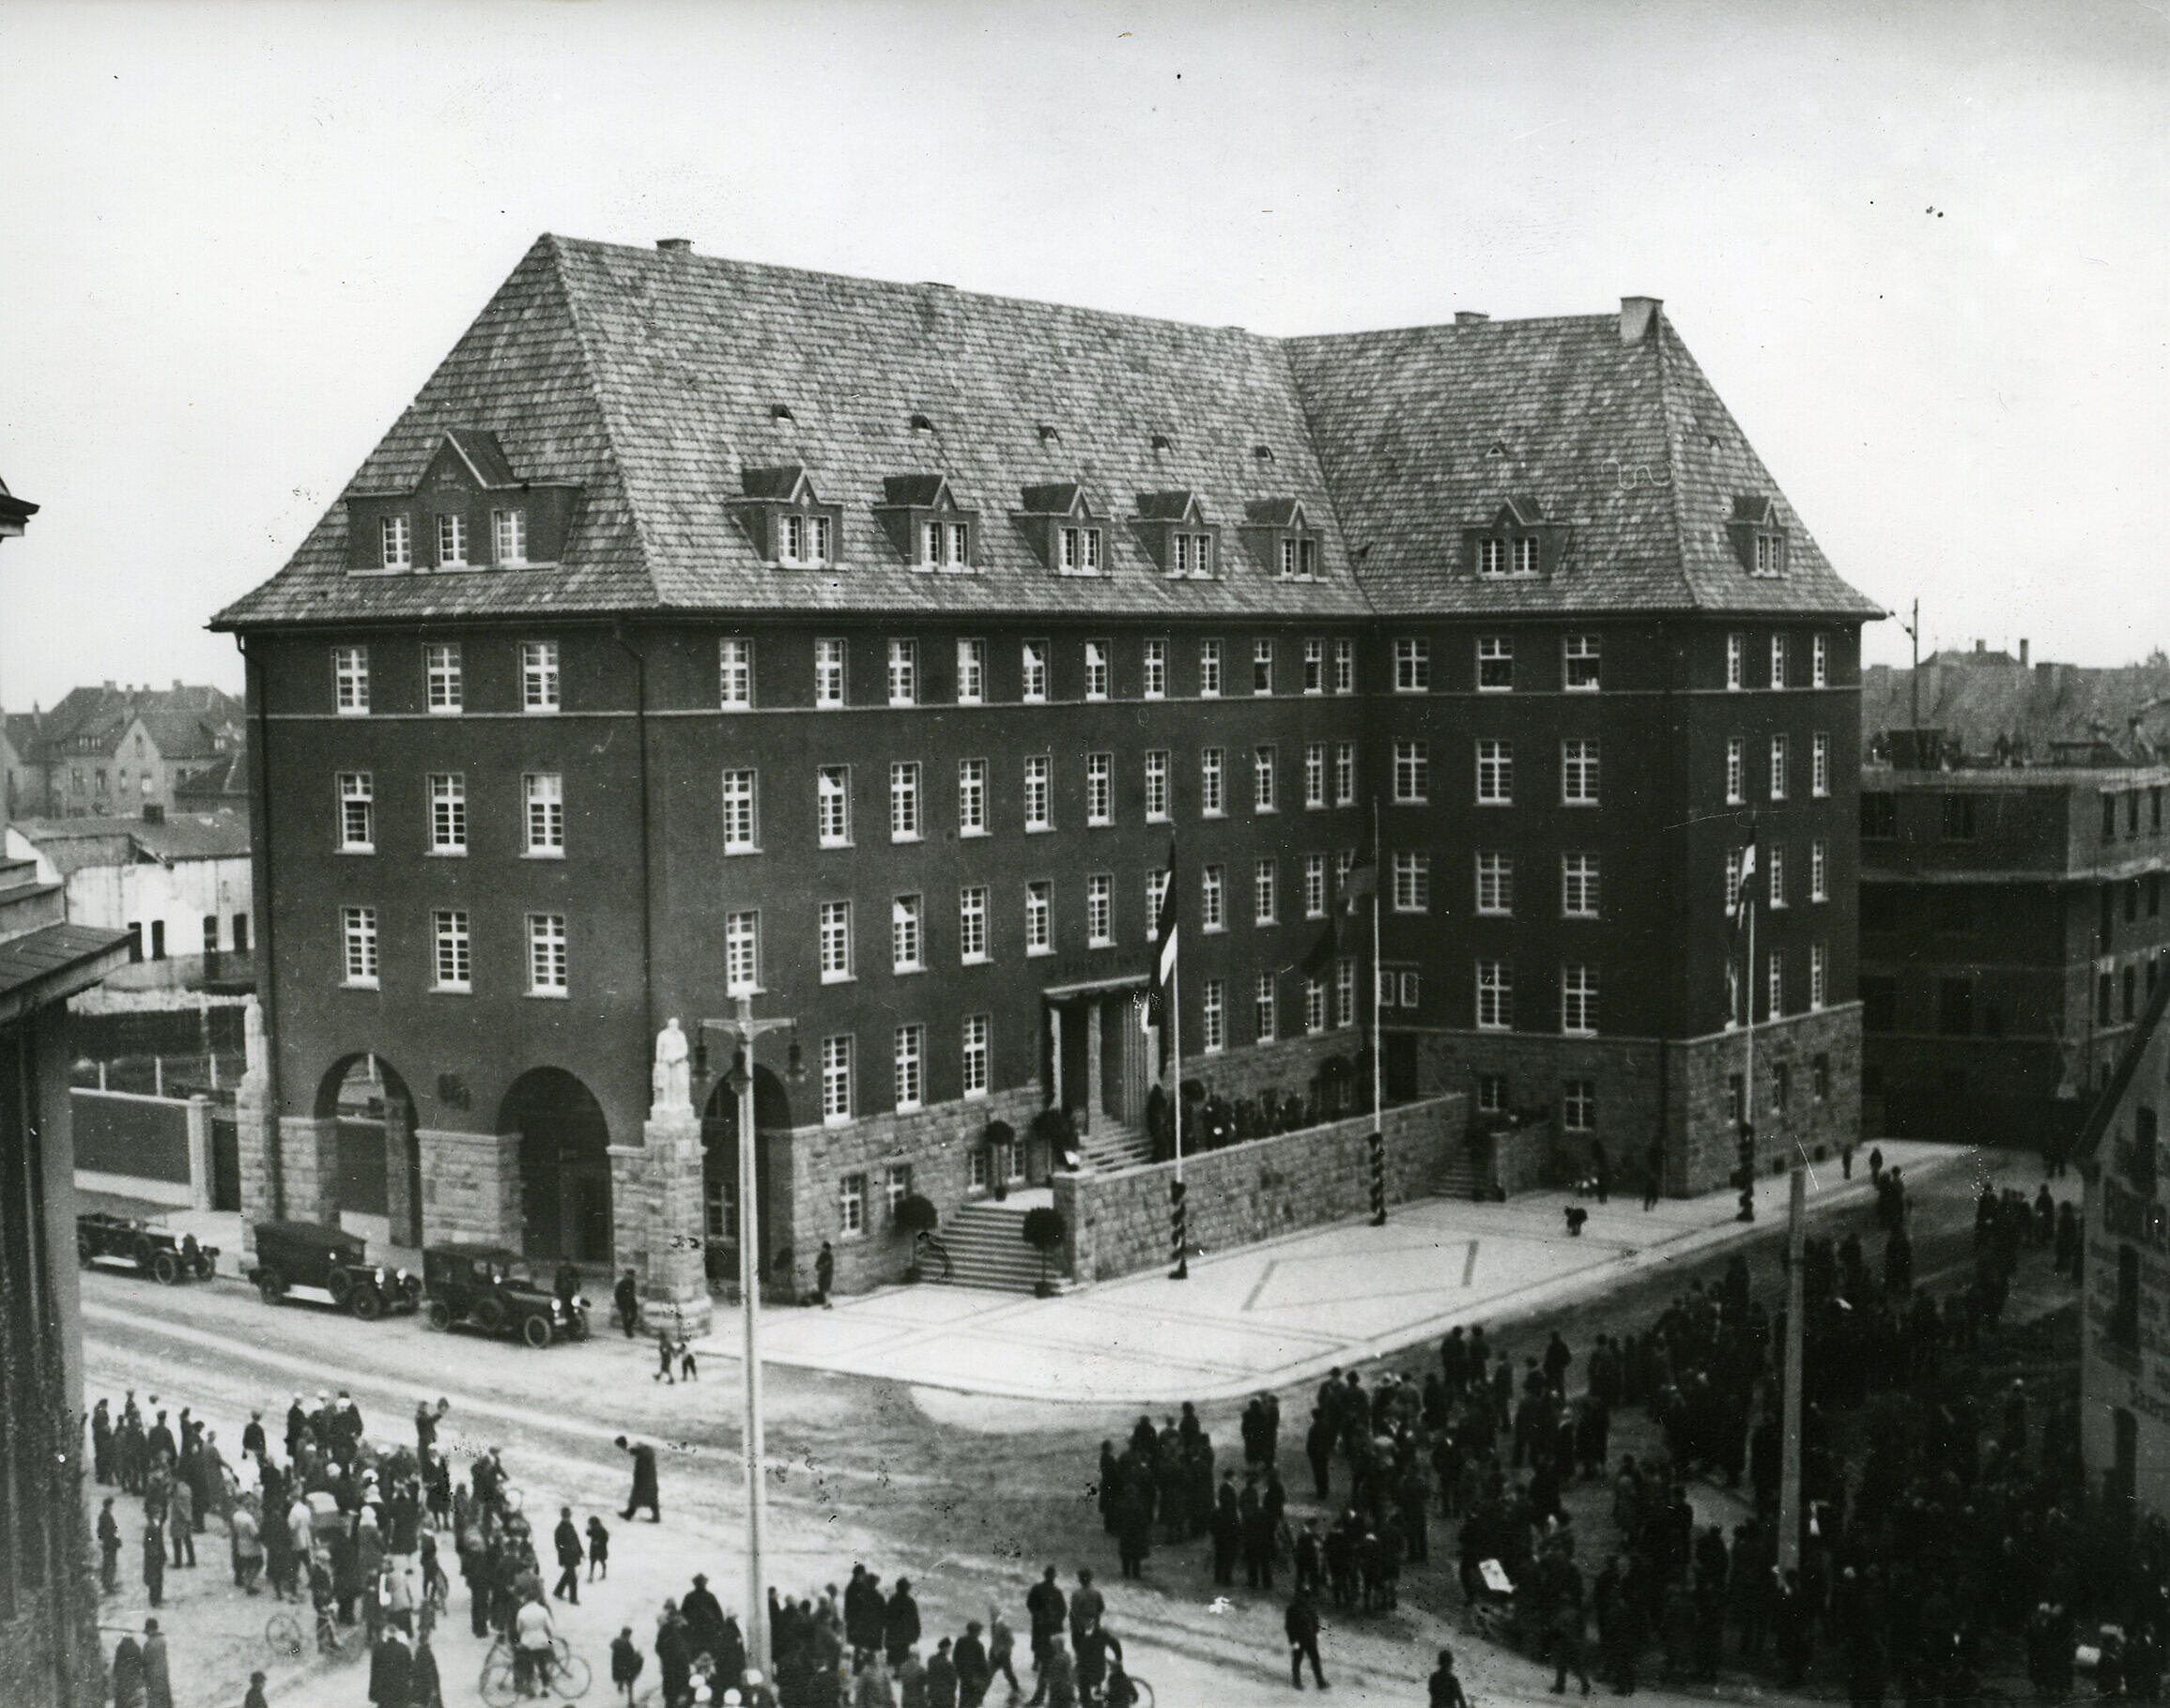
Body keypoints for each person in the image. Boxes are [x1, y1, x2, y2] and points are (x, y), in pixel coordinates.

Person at [1026, 1568, 1067, 1704]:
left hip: (1042, 1627)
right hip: (1050, 1629)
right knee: (1048, 1656)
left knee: (1042, 1654)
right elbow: (1063, 1611)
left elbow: (1030, 1604)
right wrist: (1054, 1619)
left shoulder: (1038, 1589)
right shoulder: (1056, 1592)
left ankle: (1037, 1663)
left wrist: (1039, 1615)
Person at [1285, 1586, 1329, 1690]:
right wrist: (1293, 1641)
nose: (1304, 1598)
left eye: (1306, 1595)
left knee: (1315, 1660)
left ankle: (1320, 1681)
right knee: (1297, 1660)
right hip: (1298, 1639)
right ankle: (1296, 1681)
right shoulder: (1292, 1609)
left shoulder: (1310, 1607)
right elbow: (1289, 1627)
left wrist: (1317, 1632)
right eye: (1302, 1595)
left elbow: (1315, 1621)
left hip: (1310, 1638)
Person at [516, 1590, 557, 1696]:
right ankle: (545, 1689)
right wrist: (550, 1642)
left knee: (529, 1665)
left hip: (527, 1643)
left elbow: (519, 1629)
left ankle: (531, 1689)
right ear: (536, 1599)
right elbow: (551, 1629)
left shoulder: (522, 1612)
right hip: (542, 1642)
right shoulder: (543, 1610)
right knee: (542, 1666)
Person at [617, 1435, 661, 1521]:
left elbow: (633, 1451)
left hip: (644, 1474)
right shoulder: (643, 1449)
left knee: (638, 1494)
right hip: (648, 1474)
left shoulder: (637, 1449)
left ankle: (629, 1513)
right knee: (650, 1495)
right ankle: (655, 1516)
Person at [369, 1625, 415, 1708]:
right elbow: (410, 1670)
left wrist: (373, 1693)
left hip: (384, 1690)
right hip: (401, 1691)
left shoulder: (378, 1650)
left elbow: (374, 1673)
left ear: (385, 1635)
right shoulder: (404, 1649)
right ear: (396, 1634)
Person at [554, 1506, 585, 1603]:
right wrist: (565, 1551)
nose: (567, 1518)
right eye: (565, 1516)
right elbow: (558, 1545)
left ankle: (558, 1591)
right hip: (567, 1557)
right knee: (572, 1578)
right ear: (562, 1516)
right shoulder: (559, 1529)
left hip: (574, 1555)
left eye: (568, 1516)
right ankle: (573, 1599)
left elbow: (576, 1540)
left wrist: (581, 1552)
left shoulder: (571, 1526)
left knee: (568, 1574)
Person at [142, 1618, 174, 1708]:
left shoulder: (148, 1644)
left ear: (150, 1630)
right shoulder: (162, 1641)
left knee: (154, 1701)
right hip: (163, 1675)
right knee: (164, 1699)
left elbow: (144, 1661)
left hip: (152, 1677)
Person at [612, 1626, 646, 1704]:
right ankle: (630, 1701)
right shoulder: (627, 1643)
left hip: (617, 1668)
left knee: (623, 1676)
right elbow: (630, 1657)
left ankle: (620, 1685)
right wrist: (638, 1655)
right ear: (628, 1634)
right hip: (627, 1669)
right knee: (630, 1683)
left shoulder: (616, 1642)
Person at [112, 1634, 146, 1708]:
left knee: (122, 1702)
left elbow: (116, 1664)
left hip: (122, 1681)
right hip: (133, 1680)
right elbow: (140, 1664)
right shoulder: (136, 1648)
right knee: (133, 1701)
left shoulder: (120, 1647)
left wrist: (115, 1675)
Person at [928, 1637, 961, 1708]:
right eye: (949, 1647)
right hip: (946, 1698)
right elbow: (953, 1682)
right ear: (945, 1648)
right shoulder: (948, 1664)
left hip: (934, 1696)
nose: (950, 1650)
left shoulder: (931, 1660)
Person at [98, 1496, 121, 1591]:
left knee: (109, 1563)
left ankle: (107, 1582)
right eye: (111, 1505)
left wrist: (116, 1531)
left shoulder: (107, 1515)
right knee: (109, 1563)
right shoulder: (104, 1516)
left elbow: (114, 1527)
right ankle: (108, 1584)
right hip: (108, 1543)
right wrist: (101, 1539)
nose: (111, 1507)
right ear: (107, 1506)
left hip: (110, 1543)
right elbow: (101, 1531)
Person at [142, 1517, 165, 1608]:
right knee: (154, 1578)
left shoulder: (157, 1525)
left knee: (159, 1577)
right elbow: (148, 1542)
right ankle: (154, 1600)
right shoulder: (150, 1527)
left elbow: (160, 1542)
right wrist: (154, 1552)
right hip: (153, 1557)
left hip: (158, 1556)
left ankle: (158, 1597)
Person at [615, 1269, 641, 1337]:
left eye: (632, 1276)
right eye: (629, 1275)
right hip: (623, 1302)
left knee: (634, 1316)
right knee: (625, 1317)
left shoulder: (632, 1282)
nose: (630, 1277)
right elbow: (617, 1294)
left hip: (631, 1301)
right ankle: (628, 1331)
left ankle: (628, 1327)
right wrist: (618, 1304)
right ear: (626, 1275)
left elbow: (632, 1292)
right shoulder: (622, 1283)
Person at [588, 1514, 611, 1581]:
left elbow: (606, 1539)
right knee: (593, 1562)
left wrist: (599, 1542)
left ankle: (602, 1574)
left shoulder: (602, 1530)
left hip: (601, 1549)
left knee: (600, 1561)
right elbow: (588, 1533)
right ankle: (592, 1576)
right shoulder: (594, 1528)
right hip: (594, 1548)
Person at [816, 1240, 837, 1308]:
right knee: (823, 1289)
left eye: (824, 1248)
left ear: (826, 1248)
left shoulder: (829, 1255)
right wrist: (820, 1267)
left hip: (827, 1274)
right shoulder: (822, 1255)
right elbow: (817, 1265)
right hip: (822, 1274)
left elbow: (828, 1265)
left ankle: (827, 1303)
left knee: (826, 1289)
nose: (822, 1249)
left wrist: (822, 1266)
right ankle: (828, 1303)